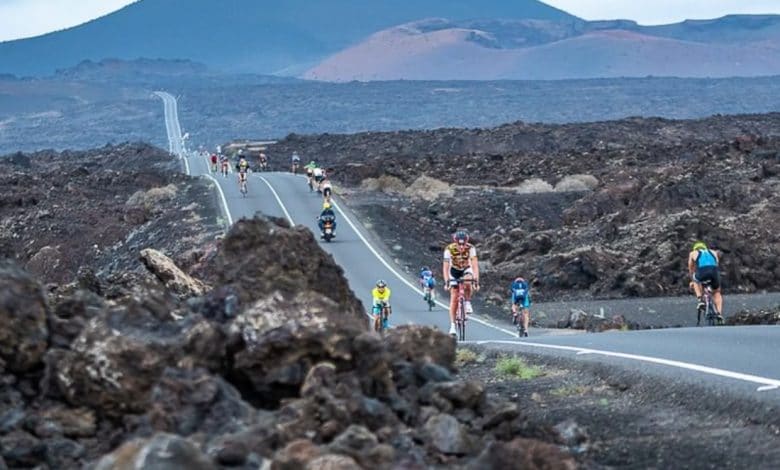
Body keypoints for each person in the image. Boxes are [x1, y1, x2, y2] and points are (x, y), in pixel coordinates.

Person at [443, 229, 479, 336]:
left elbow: (475, 265)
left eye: (464, 244)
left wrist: (476, 281)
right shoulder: (449, 249)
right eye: (459, 244)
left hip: (466, 269)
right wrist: (446, 282)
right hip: (453, 270)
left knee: (468, 281)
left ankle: (467, 302)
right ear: (455, 242)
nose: (462, 247)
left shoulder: (471, 248)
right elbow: (445, 268)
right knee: (454, 297)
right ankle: (453, 325)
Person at [688, 241, 723, 319]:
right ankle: (719, 313)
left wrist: (691, 280)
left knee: (695, 280)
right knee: (717, 292)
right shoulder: (713, 252)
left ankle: (700, 300)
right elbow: (716, 264)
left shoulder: (693, 253)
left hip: (702, 271)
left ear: (695, 248)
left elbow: (691, 268)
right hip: (714, 271)